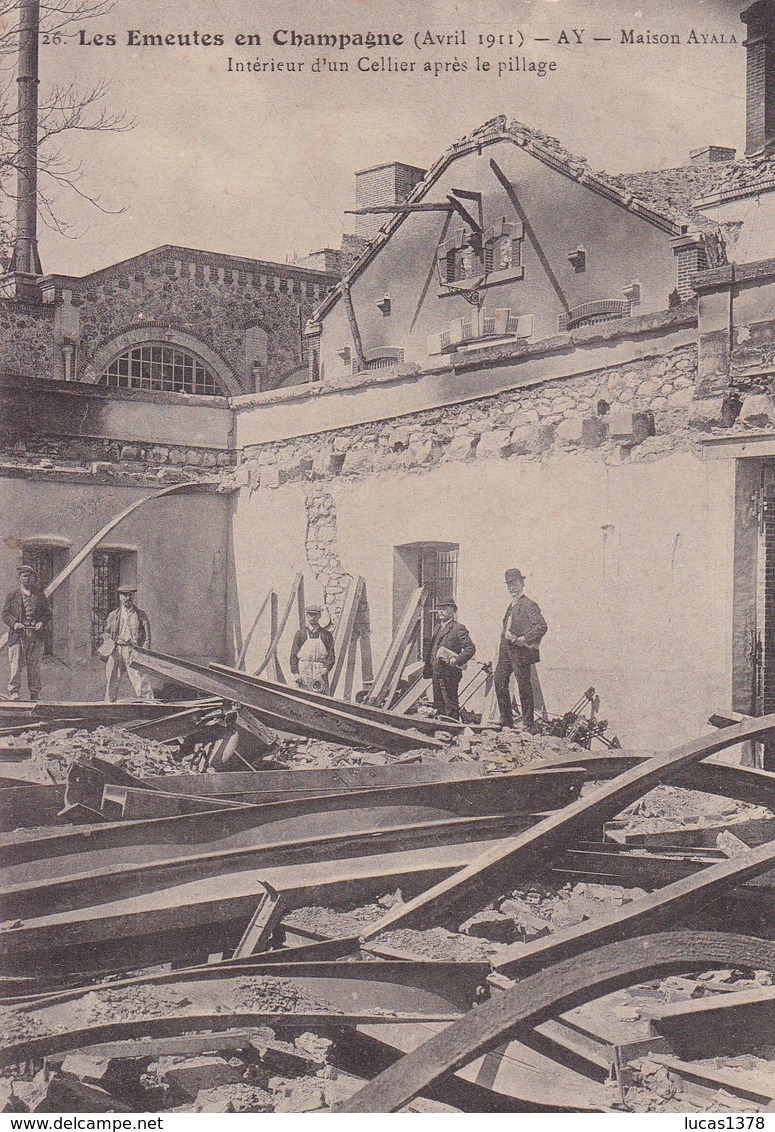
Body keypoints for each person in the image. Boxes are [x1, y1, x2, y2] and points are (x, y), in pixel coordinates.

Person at [494, 568, 548, 731]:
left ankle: (528, 723)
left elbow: (541, 626)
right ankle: (506, 720)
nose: (512, 588)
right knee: (499, 681)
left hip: (521, 650)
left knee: (523, 685)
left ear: (522, 584)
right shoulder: (511, 605)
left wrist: (524, 638)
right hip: (506, 649)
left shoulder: (529, 604)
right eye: (509, 585)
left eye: (515, 584)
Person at [2, 564, 51, 701]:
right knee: (16, 664)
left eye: (30, 576)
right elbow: (5, 614)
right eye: (24, 576)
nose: (27, 579)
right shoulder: (13, 594)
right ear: (20, 578)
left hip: (36, 635)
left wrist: (42, 622)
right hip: (18, 635)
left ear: (33, 578)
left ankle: (34, 693)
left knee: (34, 666)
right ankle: (14, 691)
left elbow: (47, 613)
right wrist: (14, 623)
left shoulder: (39, 594)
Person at [422, 598, 476, 722]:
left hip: (450, 673)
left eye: (445, 608)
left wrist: (456, 659)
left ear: (453, 611)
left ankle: (452, 729)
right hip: (436, 672)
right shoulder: (436, 628)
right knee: (438, 703)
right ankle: (441, 729)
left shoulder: (458, 628)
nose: (441, 611)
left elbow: (470, 648)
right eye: (440, 608)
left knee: (450, 704)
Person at [102, 584, 155, 702]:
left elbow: (147, 636)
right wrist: (108, 642)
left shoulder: (141, 615)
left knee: (139, 678)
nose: (127, 598)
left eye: (130, 595)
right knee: (112, 678)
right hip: (116, 650)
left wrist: (143, 652)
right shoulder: (113, 615)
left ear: (134, 597)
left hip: (133, 650)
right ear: (120, 597)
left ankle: (150, 705)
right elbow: (106, 632)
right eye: (124, 595)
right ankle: (109, 706)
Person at [289, 604, 335, 693]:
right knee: (302, 698)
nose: (312, 617)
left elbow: (331, 656)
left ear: (319, 616)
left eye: (315, 614)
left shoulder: (326, 635)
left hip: (320, 673)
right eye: (310, 614)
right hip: (303, 672)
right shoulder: (300, 634)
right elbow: (293, 656)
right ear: (306, 616)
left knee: (321, 699)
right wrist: (295, 673)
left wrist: (325, 669)